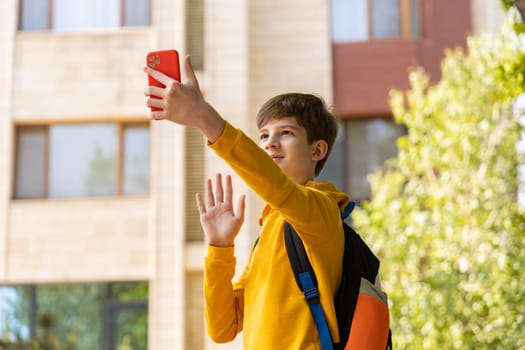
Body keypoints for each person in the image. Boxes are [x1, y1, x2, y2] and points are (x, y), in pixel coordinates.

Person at [144, 55, 350, 349]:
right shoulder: (270, 230)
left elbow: (279, 189)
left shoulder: (322, 211)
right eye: (264, 136)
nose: (270, 144)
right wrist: (220, 248)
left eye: (286, 133)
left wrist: (205, 118)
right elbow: (222, 328)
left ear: (317, 150)